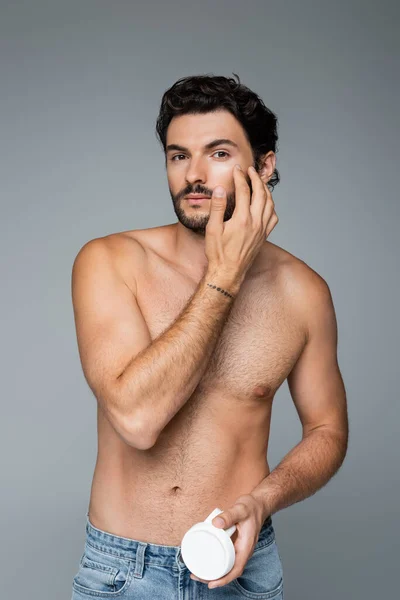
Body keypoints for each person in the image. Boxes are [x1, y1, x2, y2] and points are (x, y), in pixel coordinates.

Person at [70, 73, 348, 599]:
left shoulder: (304, 292)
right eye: (178, 156)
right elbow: (138, 419)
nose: (193, 175)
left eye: (218, 153)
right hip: (123, 571)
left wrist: (262, 501)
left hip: (243, 566)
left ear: (264, 166)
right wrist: (224, 276)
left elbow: (328, 431)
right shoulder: (110, 262)